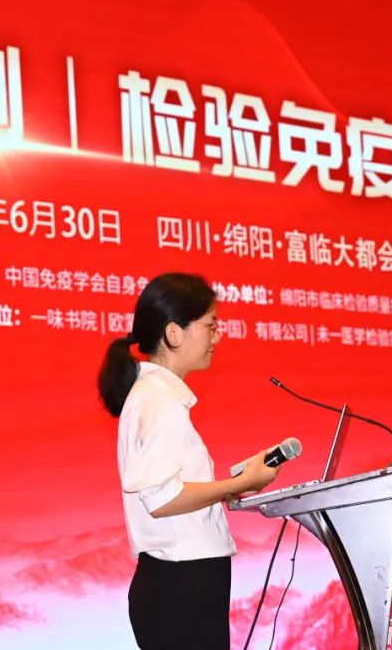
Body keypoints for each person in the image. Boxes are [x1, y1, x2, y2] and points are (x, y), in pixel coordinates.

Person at [97, 272, 280, 650]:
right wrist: (241, 483)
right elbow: (162, 499)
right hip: (181, 587)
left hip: (180, 584)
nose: (217, 337)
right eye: (210, 326)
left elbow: (169, 492)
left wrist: (227, 489)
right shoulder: (159, 401)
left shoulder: (154, 395)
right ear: (174, 333)